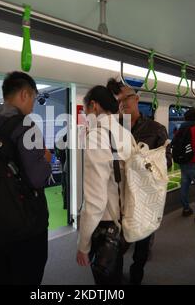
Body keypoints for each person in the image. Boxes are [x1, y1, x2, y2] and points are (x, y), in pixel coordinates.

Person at [0, 71, 51, 284]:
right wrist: (46, 158)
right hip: (25, 222)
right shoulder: (26, 126)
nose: (33, 106)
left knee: (2, 274)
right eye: (34, 99)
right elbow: (37, 178)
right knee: (28, 274)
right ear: (25, 95)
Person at [107, 78, 171, 285]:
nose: (123, 103)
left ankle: (136, 277)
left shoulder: (156, 129)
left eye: (126, 98)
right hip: (117, 196)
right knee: (115, 247)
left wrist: (140, 164)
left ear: (136, 99)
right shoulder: (111, 130)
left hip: (143, 198)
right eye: (118, 100)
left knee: (142, 245)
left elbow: (165, 164)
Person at [76, 85, 132, 285]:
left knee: (106, 283)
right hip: (124, 221)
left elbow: (95, 200)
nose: (85, 116)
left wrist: (83, 243)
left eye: (85, 111)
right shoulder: (125, 134)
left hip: (105, 224)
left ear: (94, 106)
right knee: (116, 275)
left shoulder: (97, 136)